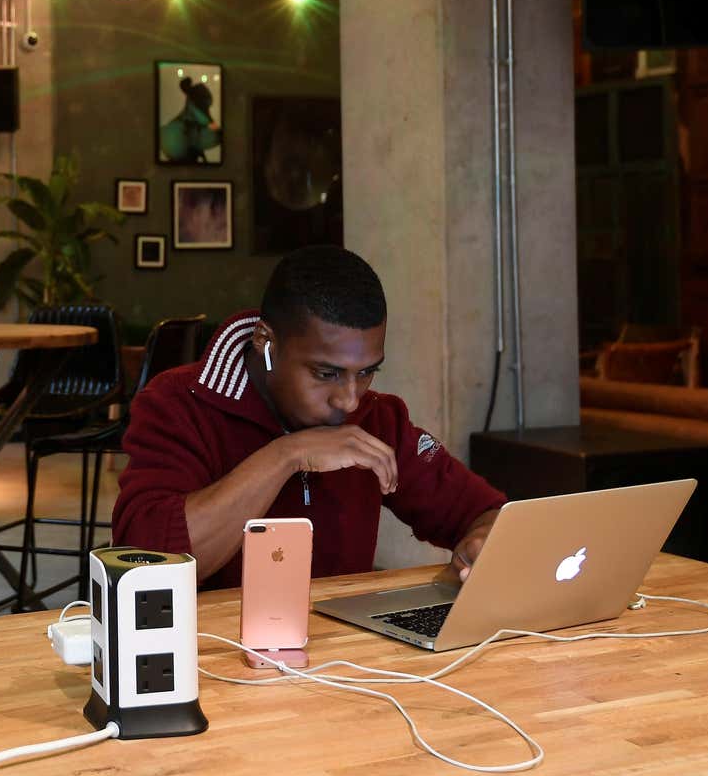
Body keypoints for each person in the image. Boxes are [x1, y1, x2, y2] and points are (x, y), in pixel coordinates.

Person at [112, 245, 505, 588]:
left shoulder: (376, 418)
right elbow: (149, 564)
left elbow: (483, 512)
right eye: (326, 373)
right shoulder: (179, 402)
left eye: (367, 372)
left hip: (342, 661)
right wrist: (287, 455)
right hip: (211, 659)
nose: (350, 400)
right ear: (266, 342)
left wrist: (483, 540)